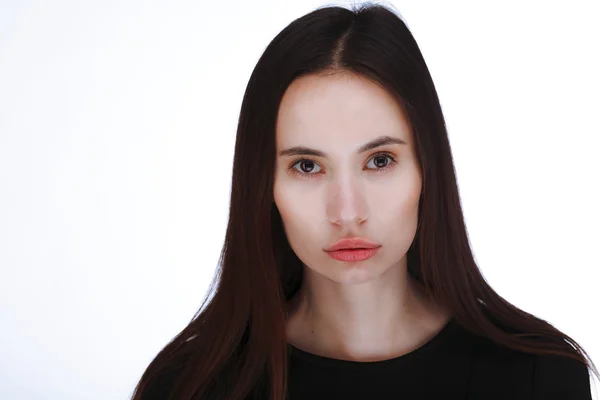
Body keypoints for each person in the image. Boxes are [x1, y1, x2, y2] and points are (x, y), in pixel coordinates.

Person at [130, 3, 597, 399]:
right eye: (308, 166)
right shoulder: (189, 387)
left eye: (379, 160)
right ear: (263, 186)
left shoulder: (541, 376)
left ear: (426, 169)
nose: (347, 211)